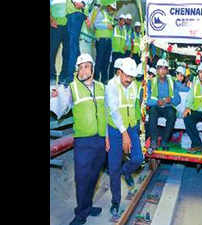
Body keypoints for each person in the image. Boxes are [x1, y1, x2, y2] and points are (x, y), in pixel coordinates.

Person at [51, 53, 107, 225]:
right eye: (80, 67)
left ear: (92, 68)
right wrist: (55, 97)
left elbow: (109, 111)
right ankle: (81, 213)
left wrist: (109, 138)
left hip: (101, 139)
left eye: (86, 66)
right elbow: (61, 104)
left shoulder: (101, 87)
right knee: (82, 178)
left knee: (94, 176)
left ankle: (88, 206)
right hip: (83, 141)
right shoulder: (72, 88)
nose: (83, 70)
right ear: (77, 70)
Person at [105, 57, 144, 217]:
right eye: (127, 76)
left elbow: (134, 105)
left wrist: (137, 125)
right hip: (115, 130)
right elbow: (114, 112)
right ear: (119, 72)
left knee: (138, 158)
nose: (129, 80)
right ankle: (115, 202)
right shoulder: (111, 86)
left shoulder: (134, 84)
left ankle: (126, 171)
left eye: (132, 77)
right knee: (113, 168)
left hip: (131, 126)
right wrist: (124, 134)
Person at [146, 59, 181, 152]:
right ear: (157, 70)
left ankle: (164, 141)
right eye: (160, 68)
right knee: (152, 112)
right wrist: (157, 102)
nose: (162, 70)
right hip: (156, 106)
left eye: (165, 68)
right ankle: (153, 140)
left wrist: (171, 100)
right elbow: (147, 100)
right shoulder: (150, 82)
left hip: (168, 106)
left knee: (172, 114)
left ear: (167, 71)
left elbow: (178, 100)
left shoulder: (172, 82)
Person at [65, 0, 93, 84]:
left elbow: (82, 3)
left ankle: (70, 78)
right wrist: (87, 15)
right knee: (74, 47)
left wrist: (83, 6)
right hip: (75, 14)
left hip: (75, 14)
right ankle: (79, 75)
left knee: (72, 47)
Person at [90, 1, 116, 84]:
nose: (112, 10)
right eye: (111, 8)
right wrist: (106, 26)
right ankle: (96, 78)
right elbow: (95, 24)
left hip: (108, 41)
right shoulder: (101, 13)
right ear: (108, 7)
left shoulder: (110, 17)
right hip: (101, 40)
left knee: (106, 61)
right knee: (99, 60)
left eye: (113, 9)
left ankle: (104, 79)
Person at [50, 0, 69, 85]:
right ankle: (52, 77)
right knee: (51, 52)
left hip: (69, 26)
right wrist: (51, 19)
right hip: (55, 25)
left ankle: (63, 77)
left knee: (67, 53)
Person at [109, 14, 127, 79]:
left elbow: (126, 40)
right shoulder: (114, 28)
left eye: (124, 21)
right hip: (114, 50)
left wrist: (126, 46)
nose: (123, 22)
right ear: (119, 20)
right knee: (113, 65)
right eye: (122, 20)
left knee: (120, 67)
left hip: (121, 51)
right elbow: (111, 37)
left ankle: (118, 79)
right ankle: (110, 78)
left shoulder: (125, 30)